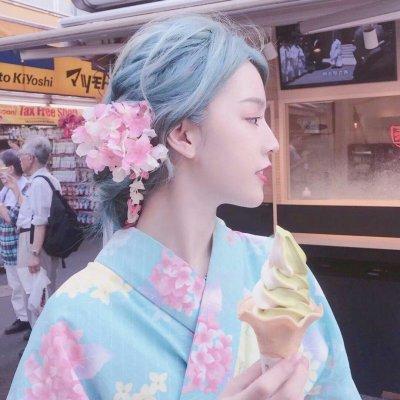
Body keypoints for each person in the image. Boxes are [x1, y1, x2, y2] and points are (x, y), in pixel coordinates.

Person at [7, 14, 361, 400]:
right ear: (183, 134)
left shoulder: (280, 271)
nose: (273, 142)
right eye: (253, 118)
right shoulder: (71, 320)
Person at [15, 136, 61, 329]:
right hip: (39, 240)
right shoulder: (48, 179)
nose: (20, 159)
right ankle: (43, 333)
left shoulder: (40, 183)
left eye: (22, 155)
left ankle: (42, 335)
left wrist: (34, 253)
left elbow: (40, 220)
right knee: (41, 290)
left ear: (31, 158)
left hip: (34, 241)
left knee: (37, 292)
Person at [0, 150, 30, 336]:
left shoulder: (25, 187)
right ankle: (22, 318)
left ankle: (31, 319)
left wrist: (2, 209)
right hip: (8, 246)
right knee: (15, 285)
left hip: (21, 245)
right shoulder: (5, 189)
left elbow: (13, 218)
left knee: (26, 284)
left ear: (10, 168)